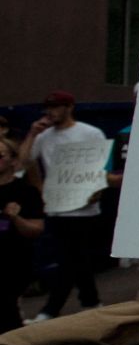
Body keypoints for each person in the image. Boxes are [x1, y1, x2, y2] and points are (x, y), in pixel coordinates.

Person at [20, 89, 112, 322]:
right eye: (48, 108)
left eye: (56, 107)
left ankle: (51, 309)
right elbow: (23, 161)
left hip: (83, 206)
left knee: (70, 258)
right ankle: (91, 301)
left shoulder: (90, 133)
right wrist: (32, 133)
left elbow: (101, 166)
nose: (50, 112)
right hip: (57, 204)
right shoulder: (44, 137)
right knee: (76, 258)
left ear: (69, 108)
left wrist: (97, 190)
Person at [0, 137, 45, 332]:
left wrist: (15, 218)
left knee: (6, 308)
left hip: (14, 259)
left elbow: (36, 230)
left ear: (13, 160)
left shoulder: (25, 192)